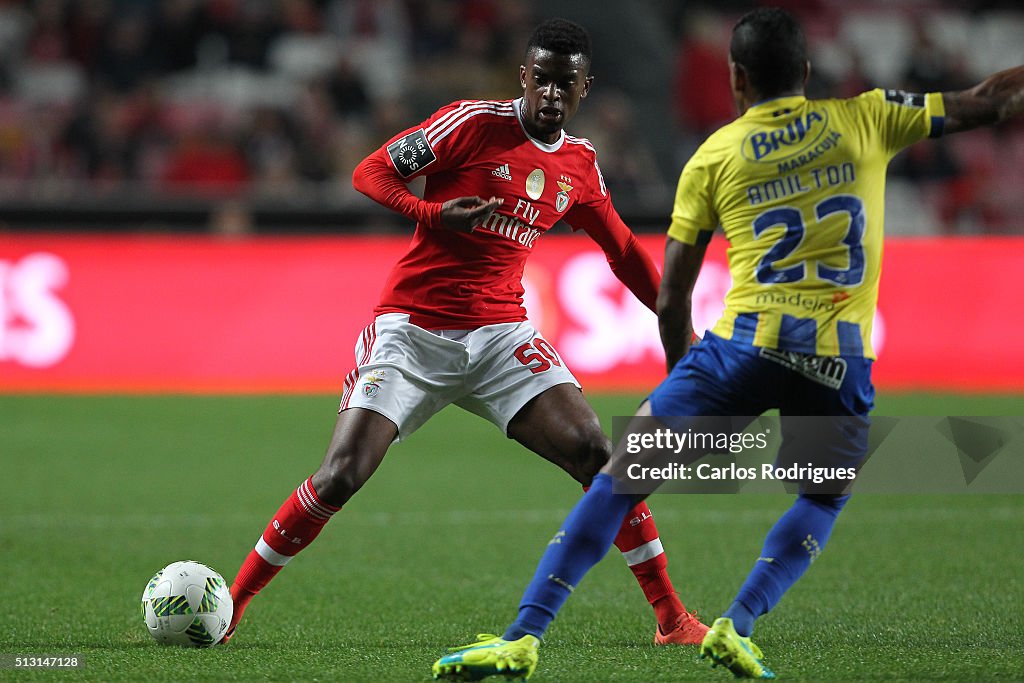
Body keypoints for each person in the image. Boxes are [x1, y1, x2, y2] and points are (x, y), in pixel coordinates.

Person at [432, 7, 1024, 681]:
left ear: (737, 78)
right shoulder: (869, 116)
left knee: (621, 477)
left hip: (740, 348)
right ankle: (737, 623)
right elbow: (989, 101)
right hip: (838, 358)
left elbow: (672, 295)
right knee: (824, 496)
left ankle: (523, 636)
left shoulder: (713, 156)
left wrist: (688, 390)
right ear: (804, 72)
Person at [222, 18, 708, 649]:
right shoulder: (471, 124)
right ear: (524, 77)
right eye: (542, 81)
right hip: (412, 331)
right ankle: (231, 604)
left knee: (596, 453)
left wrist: (677, 316)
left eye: (567, 84)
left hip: (502, 336)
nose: (552, 96)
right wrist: (431, 212)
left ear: (585, 88)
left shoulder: (580, 165)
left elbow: (620, 250)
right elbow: (370, 173)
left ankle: (671, 616)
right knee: (342, 473)